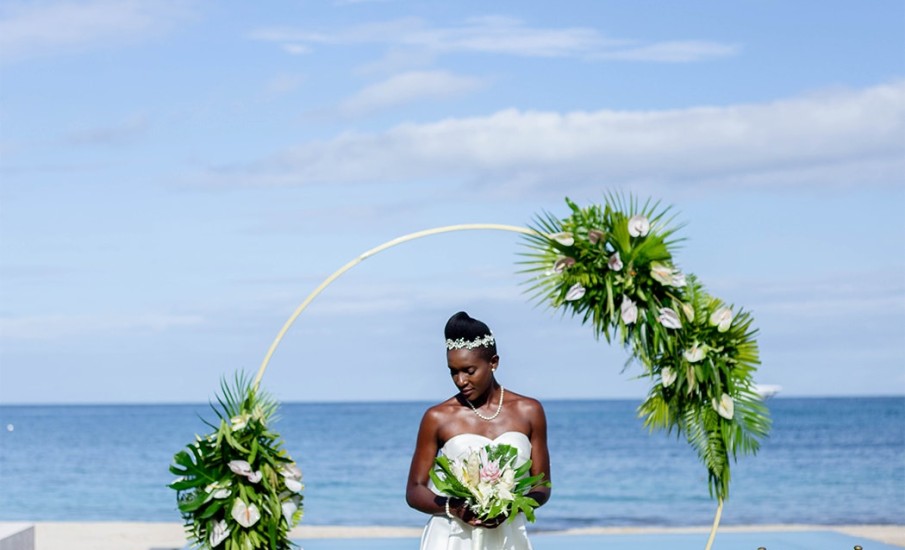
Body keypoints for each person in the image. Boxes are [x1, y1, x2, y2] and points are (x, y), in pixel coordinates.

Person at [406, 311, 551, 550]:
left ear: (493, 363)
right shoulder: (438, 417)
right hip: (452, 538)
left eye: (469, 370)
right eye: (453, 371)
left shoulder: (529, 411)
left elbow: (542, 485)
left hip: (507, 536)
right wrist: (454, 508)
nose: (460, 380)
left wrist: (508, 507)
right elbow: (414, 490)